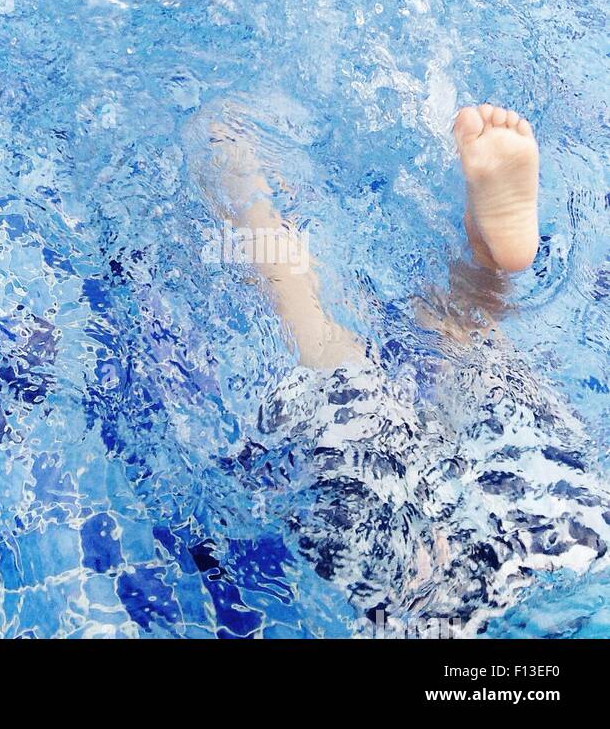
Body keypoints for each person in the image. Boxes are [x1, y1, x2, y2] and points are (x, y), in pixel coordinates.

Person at [203, 101, 608, 637]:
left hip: (576, 535)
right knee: (323, 343)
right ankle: (241, 181)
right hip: (440, 602)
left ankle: (488, 272)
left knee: (464, 340)